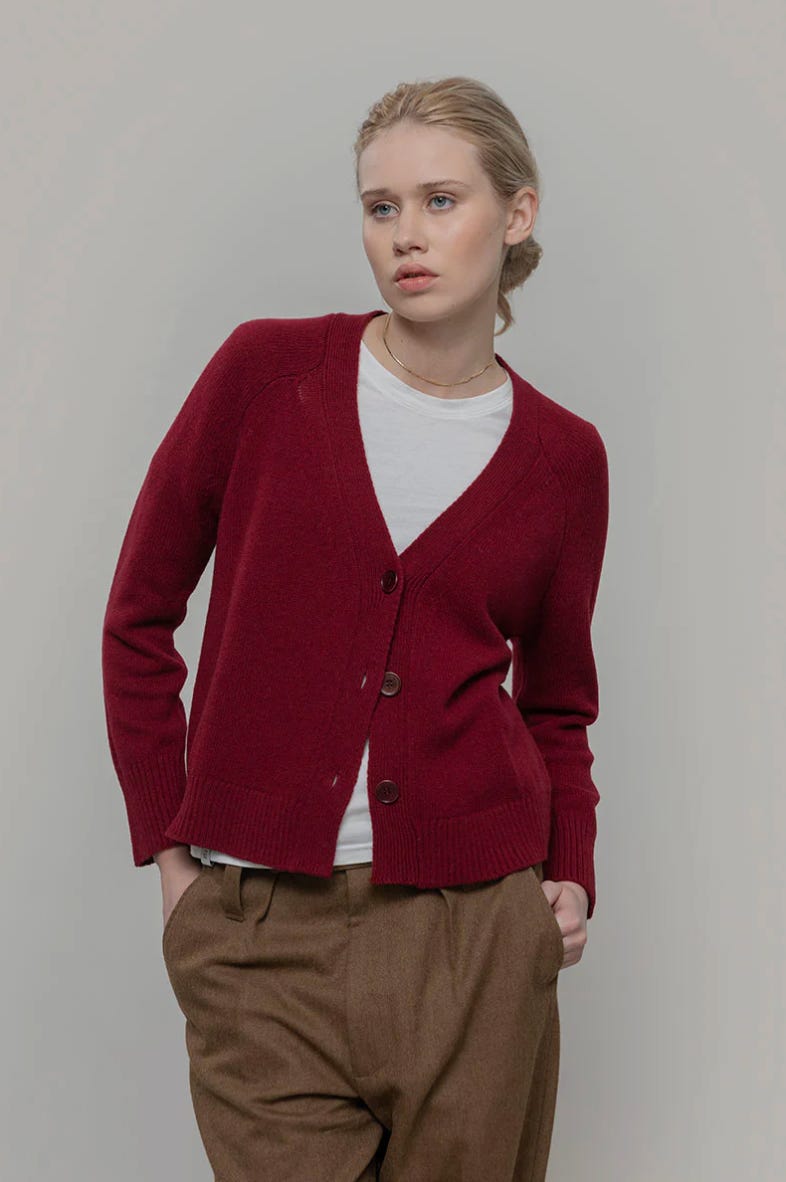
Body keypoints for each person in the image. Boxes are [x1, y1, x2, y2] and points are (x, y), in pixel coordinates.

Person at [101, 75, 610, 1182]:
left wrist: (568, 875)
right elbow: (138, 617)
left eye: (440, 200)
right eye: (381, 207)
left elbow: (559, 701)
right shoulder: (266, 376)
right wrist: (172, 856)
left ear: (516, 214)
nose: (405, 235)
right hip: (257, 935)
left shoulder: (564, 459)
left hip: (473, 936)